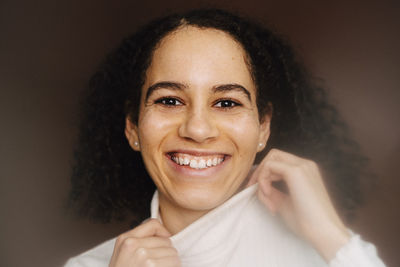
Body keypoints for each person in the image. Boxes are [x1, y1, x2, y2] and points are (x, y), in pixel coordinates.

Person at [65, 9, 386, 267]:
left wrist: (331, 236)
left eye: (227, 103)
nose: (198, 129)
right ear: (133, 127)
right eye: (170, 100)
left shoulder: (328, 254)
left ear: (264, 127)